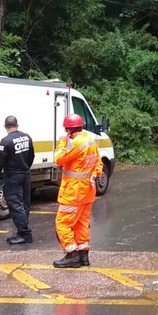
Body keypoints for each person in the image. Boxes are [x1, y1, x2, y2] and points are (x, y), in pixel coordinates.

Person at [52, 113, 102, 268]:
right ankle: (83, 256)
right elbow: (99, 164)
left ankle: (71, 255)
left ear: (68, 130)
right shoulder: (90, 141)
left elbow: (58, 159)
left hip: (73, 192)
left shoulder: (76, 143)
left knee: (62, 223)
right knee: (82, 223)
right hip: (87, 191)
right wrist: (94, 175)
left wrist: (61, 143)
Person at [0, 116, 35, 245]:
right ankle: (22, 230)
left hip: (13, 176)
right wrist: (26, 167)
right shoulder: (27, 137)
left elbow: (1, 161)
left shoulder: (5, 141)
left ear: (5, 126)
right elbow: (31, 155)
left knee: (15, 205)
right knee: (24, 204)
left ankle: (25, 234)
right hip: (25, 174)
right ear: (17, 125)